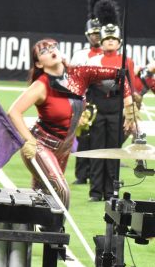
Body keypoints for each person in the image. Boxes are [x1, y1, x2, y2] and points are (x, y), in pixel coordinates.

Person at [8, 38, 133, 208]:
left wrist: (129, 105)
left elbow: (119, 74)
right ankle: (58, 233)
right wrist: (29, 140)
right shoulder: (41, 85)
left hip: (64, 147)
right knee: (61, 191)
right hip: (41, 145)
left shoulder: (79, 74)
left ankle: (38, 233)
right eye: (43, 51)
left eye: (53, 47)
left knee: (42, 197)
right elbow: (13, 112)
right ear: (38, 64)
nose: (51, 51)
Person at [85, 0, 139, 201]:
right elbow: (87, 87)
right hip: (98, 107)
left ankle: (111, 191)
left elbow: (131, 87)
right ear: (101, 40)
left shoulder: (127, 61)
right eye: (106, 39)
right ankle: (95, 191)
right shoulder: (93, 60)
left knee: (114, 151)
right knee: (97, 150)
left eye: (113, 39)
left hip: (117, 107)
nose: (109, 41)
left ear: (119, 42)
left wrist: (131, 115)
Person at [69, 0, 108, 185]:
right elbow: (73, 79)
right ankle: (81, 174)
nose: (95, 36)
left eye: (97, 33)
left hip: (101, 100)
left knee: (98, 139)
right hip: (83, 100)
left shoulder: (107, 55)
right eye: (92, 33)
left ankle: (96, 175)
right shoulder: (80, 55)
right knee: (83, 137)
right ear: (87, 35)